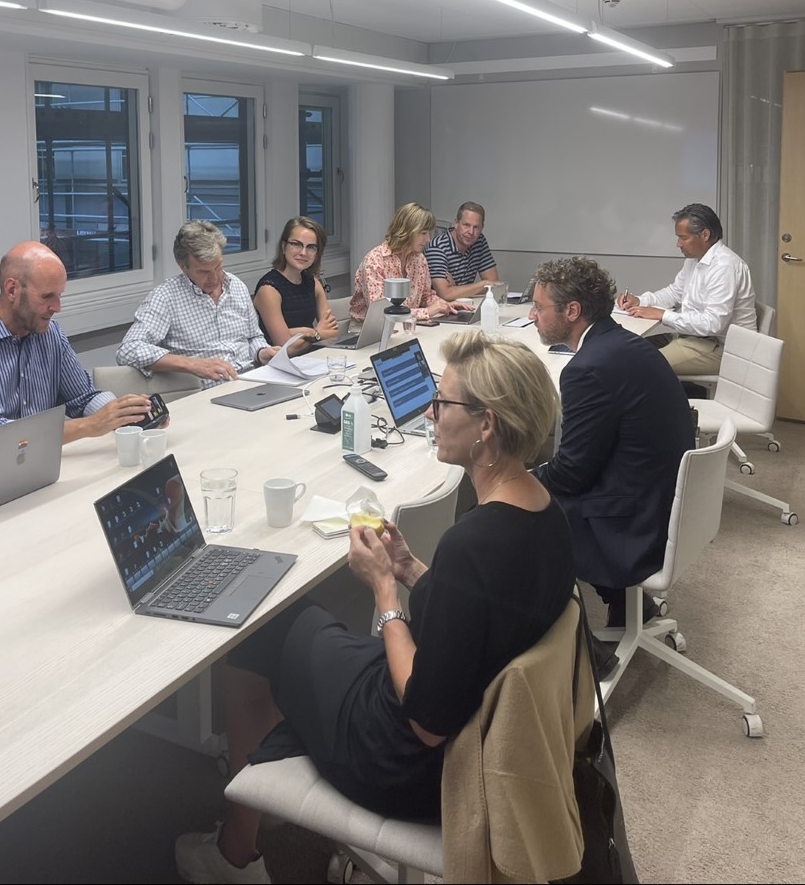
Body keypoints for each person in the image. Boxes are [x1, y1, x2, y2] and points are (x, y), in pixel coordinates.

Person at [173, 332, 576, 885]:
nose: (431, 414)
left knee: (262, 636)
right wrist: (410, 568)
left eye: (443, 404)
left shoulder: (473, 544)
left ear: (486, 426)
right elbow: (482, 613)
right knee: (309, 634)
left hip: (408, 762)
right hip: (469, 721)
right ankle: (241, 833)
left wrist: (386, 593)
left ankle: (234, 854)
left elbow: (427, 724)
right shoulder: (544, 513)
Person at [530, 256, 694, 629]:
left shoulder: (587, 369)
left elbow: (571, 475)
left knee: (518, 507)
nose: (532, 315)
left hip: (637, 523)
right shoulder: (626, 344)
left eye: (539, 307)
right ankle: (624, 605)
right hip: (664, 500)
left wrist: (518, 479)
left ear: (572, 310)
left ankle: (560, 638)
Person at [0, 242, 152, 481]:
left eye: (59, 295)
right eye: (47, 297)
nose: (57, 307)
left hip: (33, 471)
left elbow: (82, 397)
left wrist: (127, 415)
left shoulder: (49, 333)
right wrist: (90, 425)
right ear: (12, 290)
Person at [117, 221, 279, 388]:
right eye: (204, 272)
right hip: (208, 392)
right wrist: (193, 364)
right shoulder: (166, 297)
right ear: (183, 267)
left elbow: (254, 337)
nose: (215, 278)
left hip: (252, 381)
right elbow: (128, 350)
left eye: (218, 266)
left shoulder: (236, 286)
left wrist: (262, 352)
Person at [617, 203, 756, 376]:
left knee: (640, 366)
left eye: (683, 238)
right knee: (625, 352)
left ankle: (667, 403)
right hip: (694, 338)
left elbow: (713, 324)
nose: (678, 244)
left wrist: (662, 315)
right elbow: (674, 293)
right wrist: (640, 301)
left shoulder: (725, 266)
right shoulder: (694, 260)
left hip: (725, 349)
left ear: (705, 235)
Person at [349, 203, 456, 326]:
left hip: (408, 326)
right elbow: (381, 313)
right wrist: (427, 312)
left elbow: (426, 297)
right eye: (423, 233)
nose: (428, 239)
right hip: (370, 331)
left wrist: (444, 305)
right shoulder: (374, 261)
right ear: (406, 231)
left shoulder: (419, 259)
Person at [252, 216, 338, 346]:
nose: (303, 252)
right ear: (283, 246)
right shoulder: (268, 289)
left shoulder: (313, 283)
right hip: (277, 363)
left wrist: (303, 332)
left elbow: (332, 333)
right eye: (296, 244)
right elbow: (284, 345)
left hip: (309, 357)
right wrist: (315, 333)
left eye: (311, 247)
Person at [423, 200, 499, 302]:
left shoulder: (479, 241)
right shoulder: (437, 248)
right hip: (440, 309)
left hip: (464, 305)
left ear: (482, 228)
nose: (471, 232)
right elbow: (445, 294)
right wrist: (482, 284)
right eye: (466, 225)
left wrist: (457, 289)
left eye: (476, 227)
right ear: (456, 223)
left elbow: (494, 284)